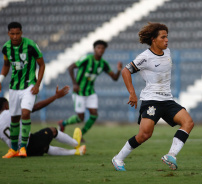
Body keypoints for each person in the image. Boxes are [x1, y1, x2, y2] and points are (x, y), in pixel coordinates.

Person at [112, 22, 194, 171]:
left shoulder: (167, 52)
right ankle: (118, 158)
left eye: (167, 37)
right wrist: (132, 93)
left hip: (167, 100)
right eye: (163, 37)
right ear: (153, 40)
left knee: (188, 122)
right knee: (144, 135)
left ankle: (171, 155)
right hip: (151, 101)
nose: (166, 40)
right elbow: (125, 71)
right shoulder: (145, 57)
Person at [0, 86, 86, 157]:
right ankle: (75, 143)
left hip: (19, 151)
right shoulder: (11, 112)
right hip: (29, 144)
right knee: (53, 130)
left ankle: (76, 152)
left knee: (45, 147)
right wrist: (55, 96)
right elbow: (36, 107)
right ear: (6, 105)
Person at [0, 22, 45, 158]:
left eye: (17, 33)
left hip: (29, 85)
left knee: (25, 113)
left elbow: (41, 64)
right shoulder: (6, 48)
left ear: (21, 33)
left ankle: (23, 147)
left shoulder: (31, 45)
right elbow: (6, 65)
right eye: (12, 34)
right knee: (15, 118)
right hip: (14, 87)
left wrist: (37, 84)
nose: (15, 36)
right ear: (8, 34)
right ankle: (13, 149)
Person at [58, 40, 122, 137]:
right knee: (80, 118)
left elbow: (115, 78)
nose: (100, 50)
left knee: (94, 115)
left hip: (90, 92)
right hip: (79, 92)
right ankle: (63, 123)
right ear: (94, 49)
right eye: (98, 48)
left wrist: (118, 70)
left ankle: (80, 135)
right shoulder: (87, 59)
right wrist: (74, 84)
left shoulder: (103, 63)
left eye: (102, 48)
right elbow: (70, 67)